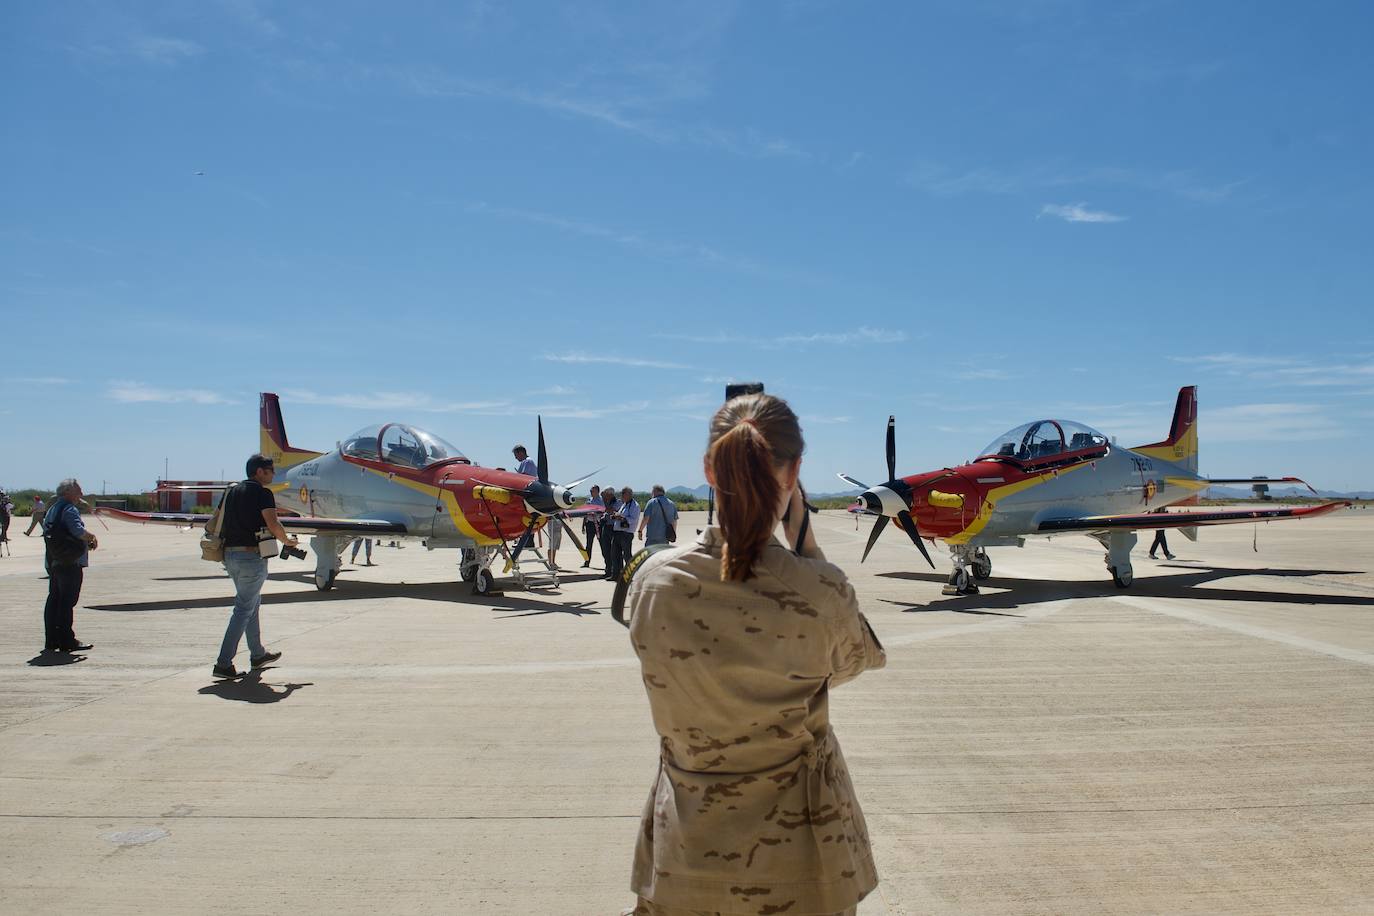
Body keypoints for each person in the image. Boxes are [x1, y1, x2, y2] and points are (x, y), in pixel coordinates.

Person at [623, 393, 885, 916]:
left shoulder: (654, 583)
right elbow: (857, 659)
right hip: (805, 866)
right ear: (794, 475)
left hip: (685, 857)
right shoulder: (819, 591)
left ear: (708, 469)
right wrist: (805, 543)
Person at [214, 454, 300, 679]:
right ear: (259, 472)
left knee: (251, 603)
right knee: (243, 609)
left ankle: (258, 654)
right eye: (270, 470)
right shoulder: (262, 493)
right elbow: (273, 523)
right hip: (251, 557)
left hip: (230, 556)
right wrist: (287, 541)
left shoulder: (232, 491)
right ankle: (223, 664)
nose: (273, 473)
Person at [41, 479, 99, 653]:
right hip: (70, 562)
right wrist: (92, 537)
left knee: (54, 599)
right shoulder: (68, 508)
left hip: (54, 560)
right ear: (68, 492)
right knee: (67, 601)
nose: (81, 494)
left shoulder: (53, 508)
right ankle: (67, 640)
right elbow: (77, 531)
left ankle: (52, 640)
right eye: (78, 491)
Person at [610, 486, 640, 581]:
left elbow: (633, 519)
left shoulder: (635, 505)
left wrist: (621, 517)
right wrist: (615, 516)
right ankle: (616, 575)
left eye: (623, 493)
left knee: (627, 556)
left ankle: (631, 576)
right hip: (618, 533)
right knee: (615, 555)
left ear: (629, 494)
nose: (621, 495)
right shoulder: (624, 504)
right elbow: (620, 515)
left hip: (626, 534)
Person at [599, 483, 620, 580]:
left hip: (613, 528)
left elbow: (609, 510)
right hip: (606, 527)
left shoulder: (617, 502)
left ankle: (614, 571)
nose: (605, 496)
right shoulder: (607, 501)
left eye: (606, 494)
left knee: (613, 551)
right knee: (605, 550)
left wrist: (604, 499)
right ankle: (608, 570)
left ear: (611, 494)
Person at [581, 485, 603, 568]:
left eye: (592, 491)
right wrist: (583, 525)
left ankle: (607, 562)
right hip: (589, 524)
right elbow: (584, 513)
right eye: (590, 491)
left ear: (597, 491)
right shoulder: (589, 500)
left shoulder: (601, 500)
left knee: (602, 543)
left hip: (598, 524)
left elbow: (602, 511)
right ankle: (587, 561)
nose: (591, 492)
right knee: (588, 544)